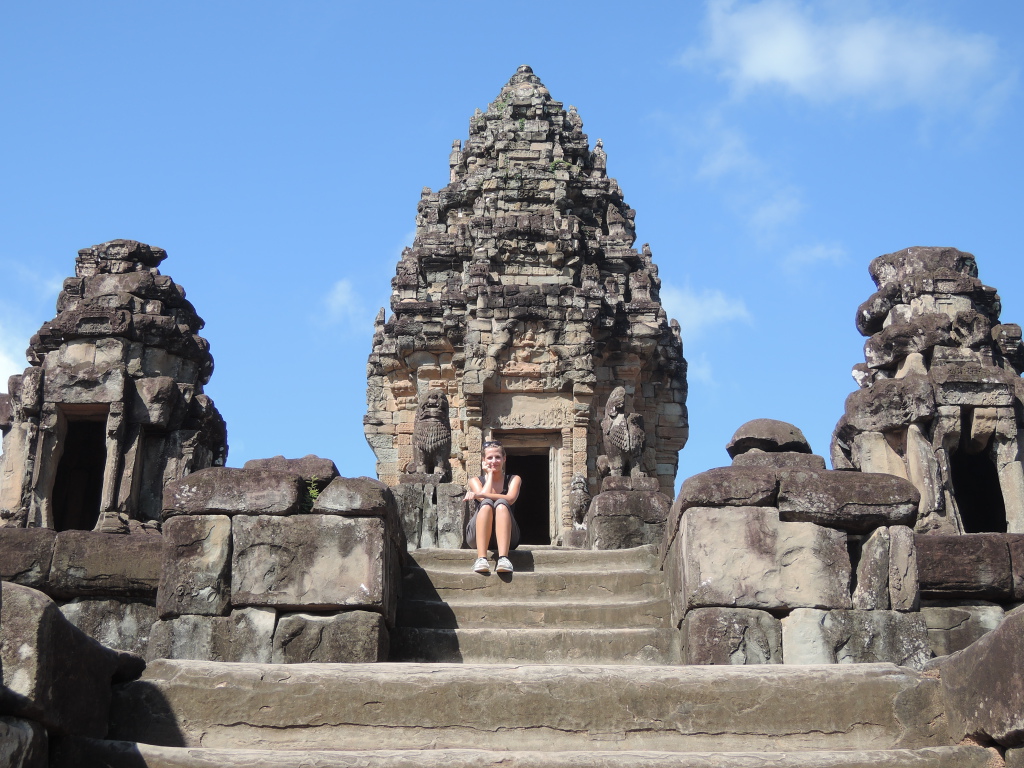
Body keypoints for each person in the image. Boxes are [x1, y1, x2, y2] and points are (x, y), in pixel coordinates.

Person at [464, 440, 521, 574]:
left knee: (502, 504)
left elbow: (511, 498)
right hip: (477, 537)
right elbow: (484, 498)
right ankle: (481, 558)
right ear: (484, 460)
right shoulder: (475, 481)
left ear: (504, 459)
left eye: (497, 457)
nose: (494, 461)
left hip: (508, 537)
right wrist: (489, 475)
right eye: (489, 458)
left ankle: (503, 558)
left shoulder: (514, 479)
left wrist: (479, 494)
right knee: (487, 504)